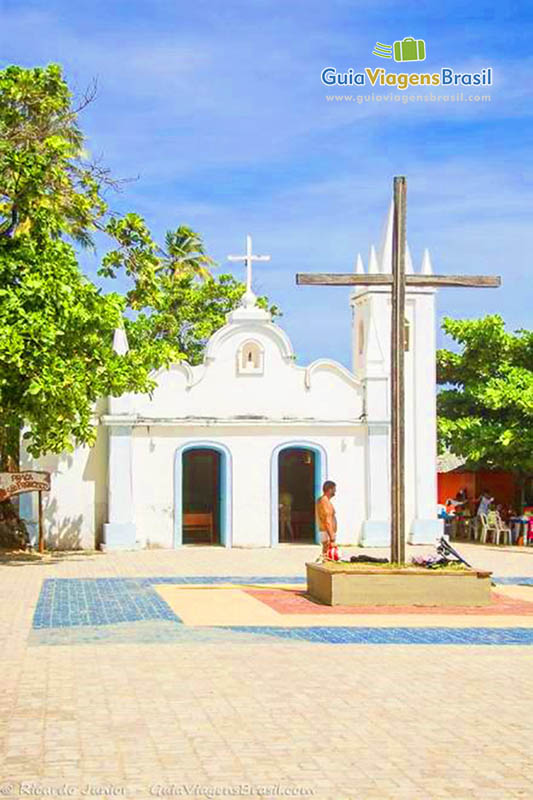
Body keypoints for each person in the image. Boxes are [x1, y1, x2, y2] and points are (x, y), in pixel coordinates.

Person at [315, 480, 337, 556]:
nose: (335, 491)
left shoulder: (323, 500)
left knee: (326, 554)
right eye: (334, 489)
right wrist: (332, 539)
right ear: (330, 489)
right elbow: (328, 520)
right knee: (327, 555)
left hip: (327, 532)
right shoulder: (325, 501)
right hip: (327, 533)